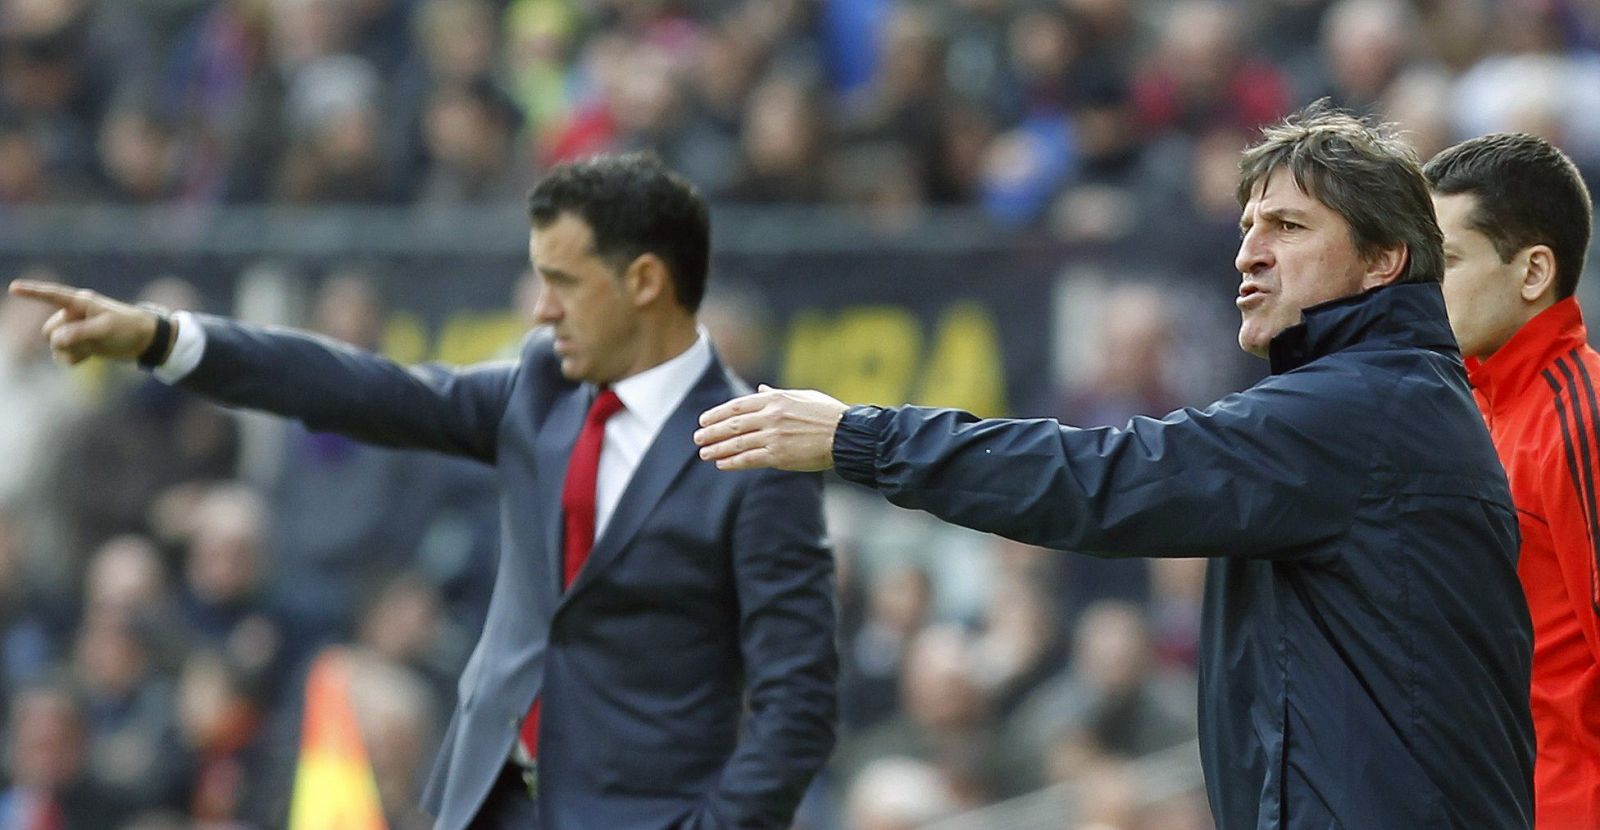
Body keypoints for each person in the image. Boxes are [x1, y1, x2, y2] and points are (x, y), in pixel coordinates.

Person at [695, 103, 1536, 828]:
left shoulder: (1360, 411)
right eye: (1247, 226)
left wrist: (860, 437)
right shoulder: (1384, 397)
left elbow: (1104, 475)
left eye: (1288, 226)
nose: (1248, 252)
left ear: (1384, 261)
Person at [10, 153, 838, 830]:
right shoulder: (542, 394)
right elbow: (360, 389)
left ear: (646, 283)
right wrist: (166, 338)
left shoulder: (762, 453)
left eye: (564, 281)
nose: (542, 311)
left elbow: (796, 703)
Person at [1425, 132, 1600, 828]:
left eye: (1447, 261)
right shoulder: (1471, 411)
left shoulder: (1584, 417)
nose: (1422, 288)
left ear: (1532, 273)